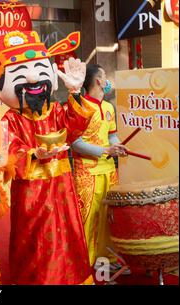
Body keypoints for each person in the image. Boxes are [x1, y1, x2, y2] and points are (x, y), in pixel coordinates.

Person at [0, 30, 94, 284]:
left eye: (39, 70)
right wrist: (33, 154)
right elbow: (8, 153)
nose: (32, 79)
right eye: (19, 75)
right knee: (35, 245)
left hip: (62, 194)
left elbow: (76, 128)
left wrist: (75, 92)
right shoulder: (10, 120)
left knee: (69, 240)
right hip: (31, 198)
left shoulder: (57, 112)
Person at [71, 64, 128, 272]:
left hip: (108, 171)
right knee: (88, 217)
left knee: (108, 217)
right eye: (104, 77)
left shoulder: (108, 108)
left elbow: (112, 135)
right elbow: (75, 143)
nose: (107, 81)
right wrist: (106, 150)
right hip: (87, 172)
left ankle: (106, 259)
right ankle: (83, 262)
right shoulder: (80, 107)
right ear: (98, 81)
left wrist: (118, 145)